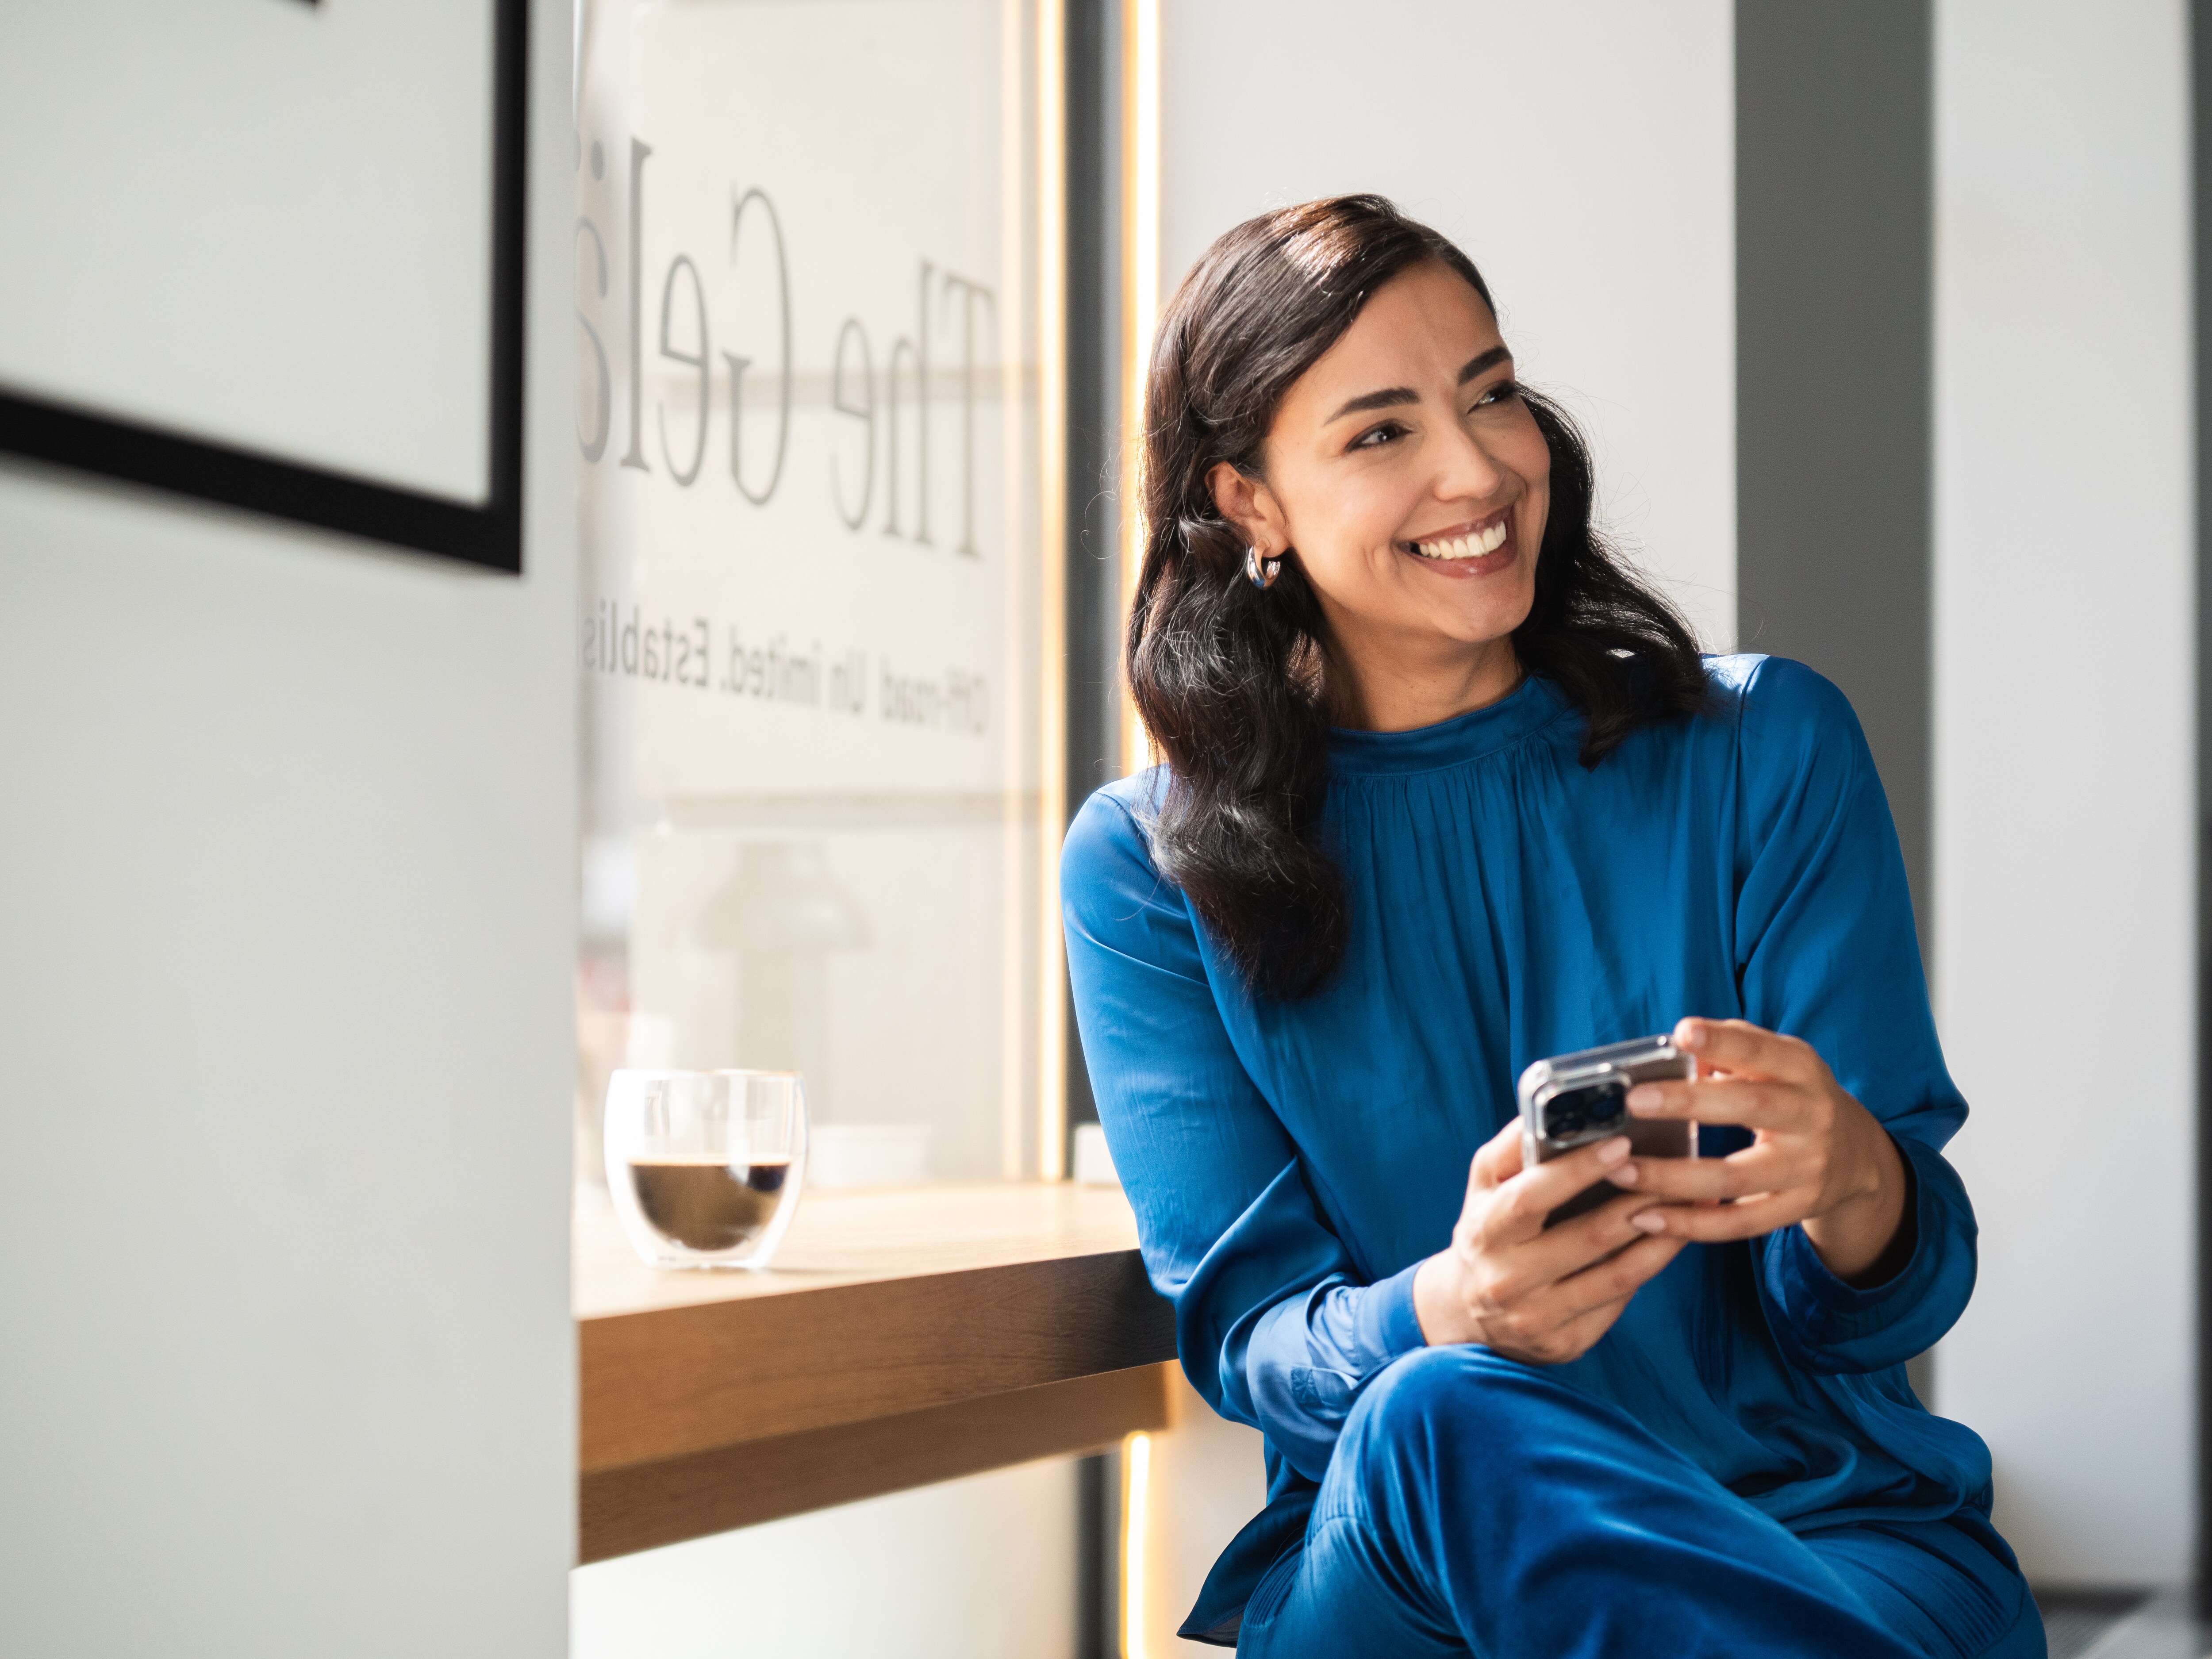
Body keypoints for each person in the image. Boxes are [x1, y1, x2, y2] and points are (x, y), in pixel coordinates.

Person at [1061, 195, 2042, 1658]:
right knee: (1438, 1412)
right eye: (1381, 431)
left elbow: (1902, 1295)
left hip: (1813, 1534)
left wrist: (1851, 1182)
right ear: (1247, 502)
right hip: (1417, 1564)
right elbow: (1255, 1337)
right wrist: (1454, 1305)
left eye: (1493, 393)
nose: (1481, 469)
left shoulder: (1763, 749)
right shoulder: (1148, 868)